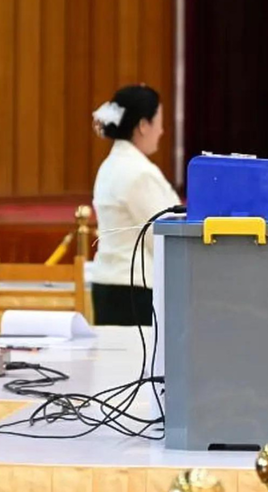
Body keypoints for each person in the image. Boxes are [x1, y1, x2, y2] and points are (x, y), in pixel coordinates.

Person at [90, 84, 180, 326]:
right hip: (134, 289)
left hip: (107, 284)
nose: (161, 131)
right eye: (159, 121)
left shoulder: (109, 165)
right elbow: (163, 233)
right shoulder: (139, 173)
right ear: (143, 125)